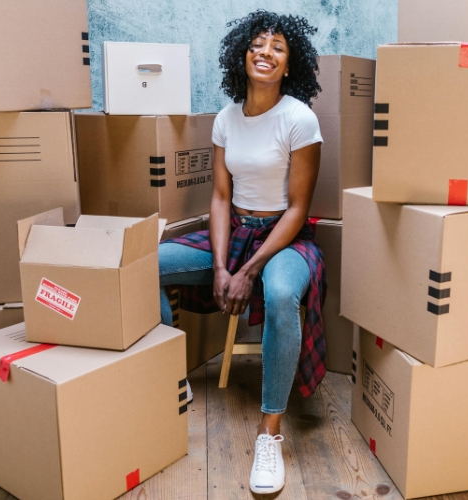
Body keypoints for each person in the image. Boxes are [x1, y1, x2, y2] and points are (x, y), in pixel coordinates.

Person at [157, 10, 326, 495]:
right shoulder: (226, 118)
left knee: (278, 294)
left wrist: (247, 270)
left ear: (290, 64)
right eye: (258, 44)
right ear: (242, 54)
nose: (265, 53)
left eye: (278, 48)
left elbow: (298, 209)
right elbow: (220, 198)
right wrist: (221, 266)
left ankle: (269, 434)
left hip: (285, 239)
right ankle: (170, 378)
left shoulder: (299, 118)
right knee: (141, 266)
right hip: (235, 234)